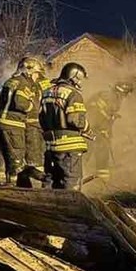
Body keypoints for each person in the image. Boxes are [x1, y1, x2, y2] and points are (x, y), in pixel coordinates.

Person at [0, 56, 44, 185]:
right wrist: (33, 107)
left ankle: (0, 178)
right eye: (36, 74)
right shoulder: (24, 83)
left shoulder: (11, 81)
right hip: (12, 124)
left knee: (3, 151)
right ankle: (14, 185)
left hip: (0, 123)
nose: (37, 77)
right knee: (16, 156)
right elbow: (20, 102)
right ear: (29, 71)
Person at [39, 62, 90, 190]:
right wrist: (87, 128)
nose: (81, 83)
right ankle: (70, 202)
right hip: (70, 148)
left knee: (51, 181)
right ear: (73, 77)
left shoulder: (47, 92)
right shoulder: (73, 94)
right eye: (80, 79)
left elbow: (41, 118)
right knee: (71, 181)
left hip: (51, 146)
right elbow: (75, 121)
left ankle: (46, 202)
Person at [84, 82, 132, 182]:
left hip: (98, 130)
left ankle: (101, 181)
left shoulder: (114, 99)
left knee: (101, 153)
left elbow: (106, 114)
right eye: (126, 93)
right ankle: (85, 176)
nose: (126, 97)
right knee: (89, 152)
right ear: (121, 92)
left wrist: (109, 121)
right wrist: (102, 127)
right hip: (93, 130)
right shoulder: (108, 96)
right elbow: (94, 110)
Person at [17, 61, 50, 188]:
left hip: (33, 124)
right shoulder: (45, 83)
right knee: (37, 157)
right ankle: (37, 185)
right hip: (39, 125)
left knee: (33, 157)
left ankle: (34, 185)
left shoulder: (32, 84)